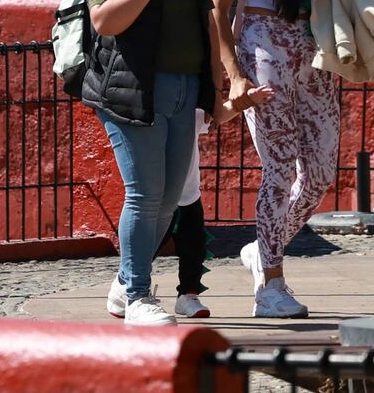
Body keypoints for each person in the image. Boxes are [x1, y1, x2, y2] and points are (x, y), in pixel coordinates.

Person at [208, 0, 343, 318]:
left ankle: (262, 248)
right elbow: (217, 6)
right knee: (281, 169)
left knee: (322, 172)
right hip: (262, 46)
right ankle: (270, 285)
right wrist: (235, 75)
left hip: (313, 51)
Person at [83, 0, 218, 327]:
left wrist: (217, 88)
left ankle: (126, 283)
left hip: (182, 88)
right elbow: (103, 21)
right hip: (130, 92)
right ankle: (139, 294)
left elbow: (206, 21)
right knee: (143, 195)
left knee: (167, 199)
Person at [107, 85, 276, 320]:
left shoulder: (188, 114)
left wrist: (248, 99)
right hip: (159, 200)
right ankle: (126, 285)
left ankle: (189, 294)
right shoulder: (153, 118)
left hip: (188, 197)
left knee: (194, 249)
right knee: (148, 246)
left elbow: (220, 114)